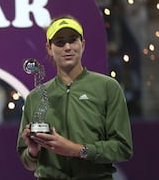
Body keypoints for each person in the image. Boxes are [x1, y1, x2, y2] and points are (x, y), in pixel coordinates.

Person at [16, 15, 133, 180]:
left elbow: (123, 148)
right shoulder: (35, 97)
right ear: (49, 48)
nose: (68, 47)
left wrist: (76, 149)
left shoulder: (108, 87)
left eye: (73, 40)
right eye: (60, 42)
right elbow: (27, 161)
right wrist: (33, 151)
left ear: (82, 45)